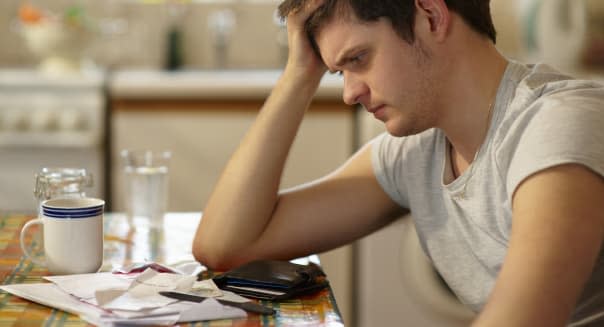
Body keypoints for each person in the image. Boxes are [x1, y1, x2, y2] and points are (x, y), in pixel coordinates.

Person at [192, 0, 604, 325]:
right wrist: (299, 74)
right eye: (339, 72)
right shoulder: (420, 149)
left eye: (358, 59)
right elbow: (226, 246)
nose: (350, 93)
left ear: (429, 14)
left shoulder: (558, 123)